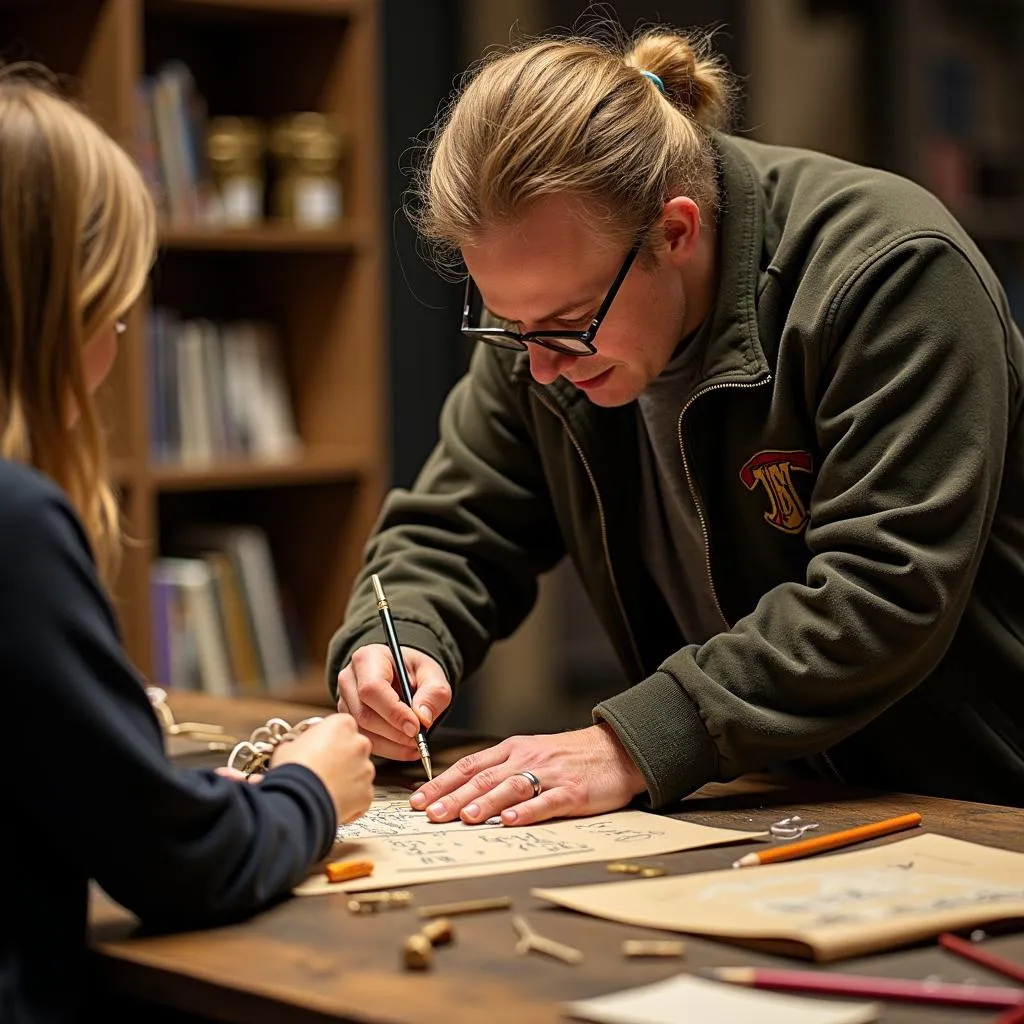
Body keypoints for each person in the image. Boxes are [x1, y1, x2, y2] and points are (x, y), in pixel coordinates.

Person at [328, 21, 1024, 825]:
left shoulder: (890, 274)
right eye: (508, 326)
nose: (540, 365)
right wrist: (400, 637)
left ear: (677, 231)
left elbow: (882, 594)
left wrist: (630, 744)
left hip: (979, 805)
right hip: (762, 799)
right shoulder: (543, 321)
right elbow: (456, 528)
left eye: (567, 324)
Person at [0, 65, 375, 1024]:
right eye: (117, 312)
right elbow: (183, 864)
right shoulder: (16, 521)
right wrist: (312, 792)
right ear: (62, 309)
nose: (118, 344)